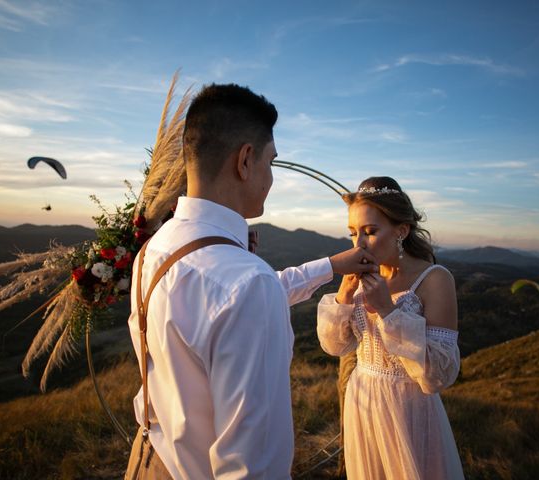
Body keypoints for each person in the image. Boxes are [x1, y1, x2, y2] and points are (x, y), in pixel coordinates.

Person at [127, 84, 377, 479]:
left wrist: (331, 265)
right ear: (245, 160)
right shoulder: (246, 284)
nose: (271, 176)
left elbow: (240, 295)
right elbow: (251, 467)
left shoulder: (152, 251)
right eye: (271, 162)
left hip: (147, 460)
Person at [317, 176, 464, 479]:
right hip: (362, 401)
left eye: (370, 232)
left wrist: (387, 310)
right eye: (352, 233)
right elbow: (335, 347)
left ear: (401, 231)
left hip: (408, 410)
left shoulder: (435, 279)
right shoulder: (360, 275)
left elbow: (439, 374)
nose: (358, 244)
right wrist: (344, 297)